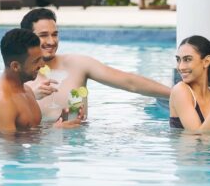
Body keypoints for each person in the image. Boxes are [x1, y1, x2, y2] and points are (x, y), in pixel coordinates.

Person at [20, 8, 171, 121]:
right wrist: (30, 96)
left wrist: (176, 93)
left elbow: (129, 82)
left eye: (55, 34)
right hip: (40, 152)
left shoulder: (77, 64)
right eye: (43, 36)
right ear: (28, 38)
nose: (52, 42)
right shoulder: (20, 80)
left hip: (79, 152)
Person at [0, 28, 84, 133]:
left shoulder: (27, 90)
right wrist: (54, 132)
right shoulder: (1, 102)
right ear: (16, 66)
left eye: (41, 58)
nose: (42, 65)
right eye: (36, 61)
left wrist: (59, 123)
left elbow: (32, 132)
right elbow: (9, 147)